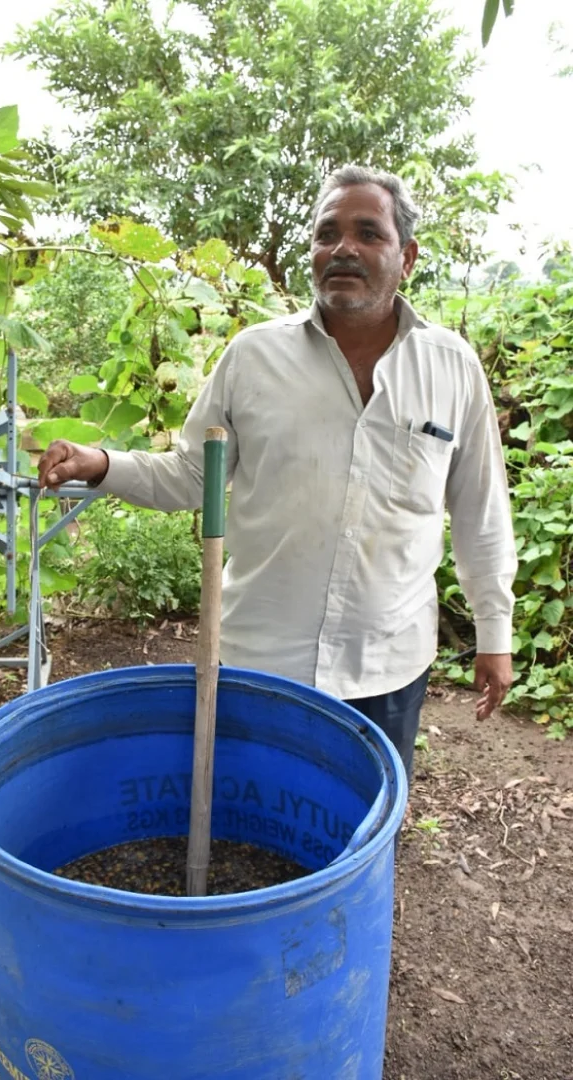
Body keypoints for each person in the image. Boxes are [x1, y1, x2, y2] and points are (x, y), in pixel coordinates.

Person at [38, 164, 517, 782]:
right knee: (251, 831)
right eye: (327, 233)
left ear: (408, 256)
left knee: (360, 843)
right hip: (259, 660)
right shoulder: (253, 357)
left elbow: (481, 511)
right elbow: (192, 476)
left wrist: (494, 633)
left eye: (368, 233)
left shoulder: (452, 368)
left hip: (388, 666)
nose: (343, 248)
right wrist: (101, 464)